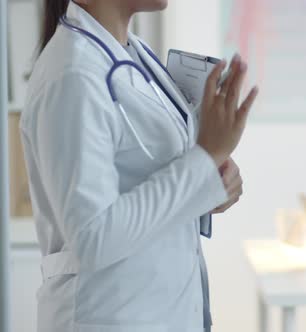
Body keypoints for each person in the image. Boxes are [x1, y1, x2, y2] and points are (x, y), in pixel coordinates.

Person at [20, 0, 258, 331]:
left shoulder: (133, 54)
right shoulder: (72, 74)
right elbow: (93, 236)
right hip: (110, 317)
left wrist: (210, 182)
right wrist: (204, 159)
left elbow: (149, 179)